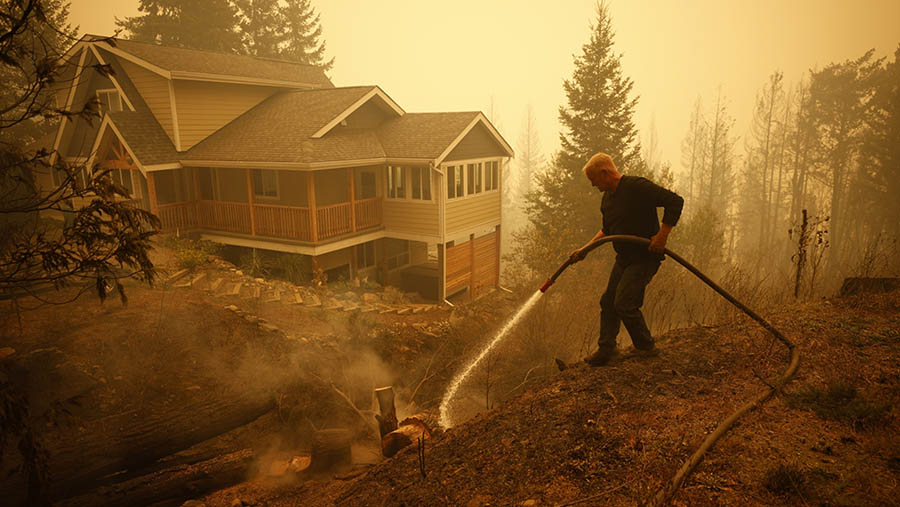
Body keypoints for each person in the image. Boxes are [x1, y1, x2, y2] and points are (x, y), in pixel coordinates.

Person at [570, 153, 683, 366]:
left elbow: (675, 202)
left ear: (604, 173)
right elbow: (607, 230)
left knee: (624, 303)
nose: (593, 185)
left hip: (645, 257)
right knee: (608, 301)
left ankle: (646, 348)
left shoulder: (637, 187)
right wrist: (585, 249)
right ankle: (607, 349)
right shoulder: (608, 199)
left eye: (593, 180)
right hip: (624, 259)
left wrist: (662, 235)